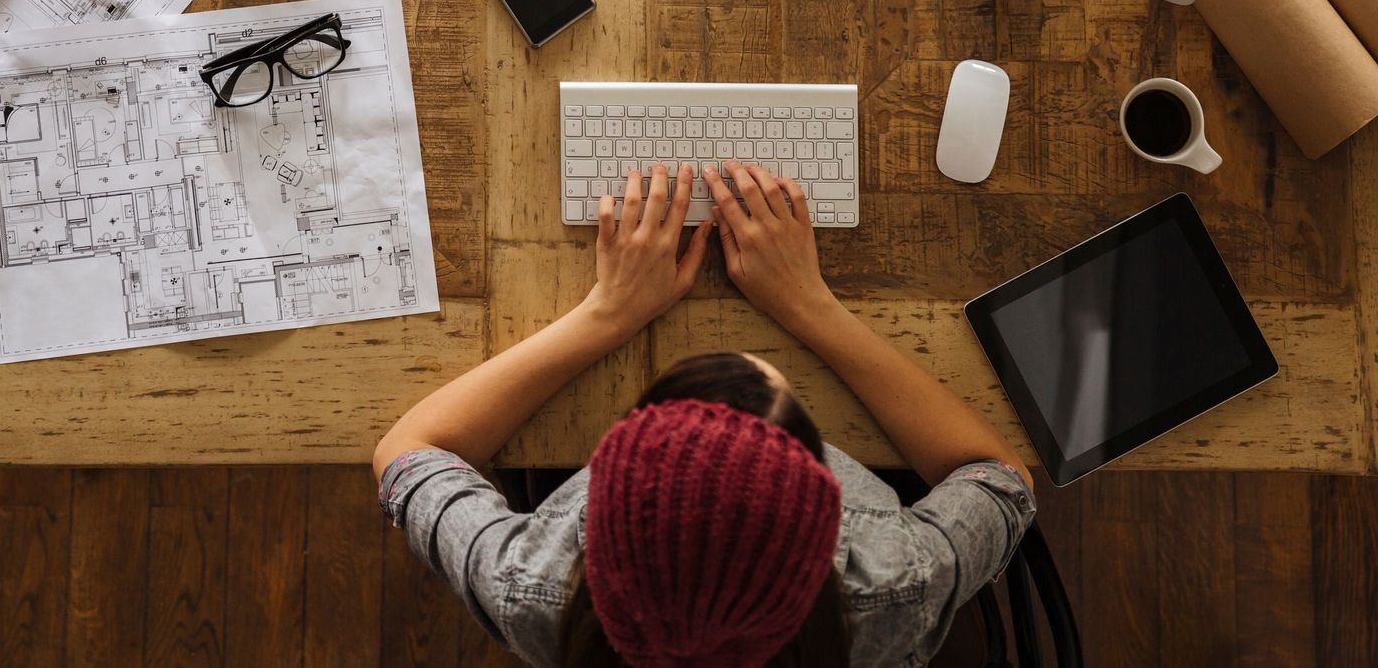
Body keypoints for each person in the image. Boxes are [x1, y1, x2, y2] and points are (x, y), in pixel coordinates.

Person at [375, 161, 1036, 667]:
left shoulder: (532, 588)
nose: (743, 365)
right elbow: (1000, 479)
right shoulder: (896, 584)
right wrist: (809, 304)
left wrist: (610, 311)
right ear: (824, 532)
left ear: (595, 521)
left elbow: (408, 450)